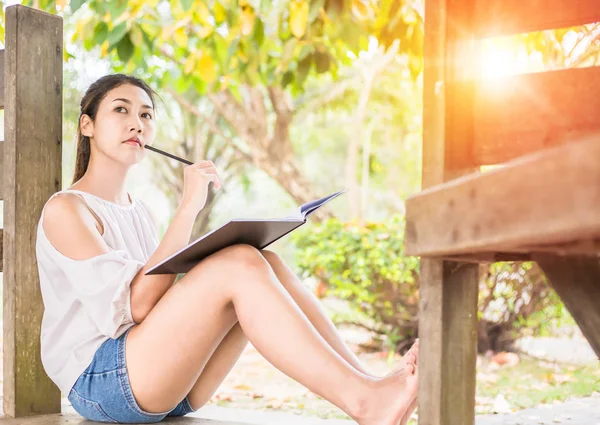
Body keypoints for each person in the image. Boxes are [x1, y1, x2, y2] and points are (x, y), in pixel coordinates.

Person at [35, 73, 419, 425]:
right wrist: (189, 206)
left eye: (146, 115)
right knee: (238, 263)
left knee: (264, 260)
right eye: (121, 110)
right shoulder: (67, 209)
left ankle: (371, 386)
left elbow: (159, 302)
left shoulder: (139, 212)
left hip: (165, 380)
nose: (137, 123)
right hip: (102, 383)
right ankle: (366, 403)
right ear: (87, 124)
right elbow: (138, 306)